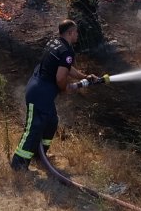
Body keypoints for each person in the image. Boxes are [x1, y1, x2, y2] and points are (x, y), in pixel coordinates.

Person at [10, 19, 100, 172]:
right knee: (33, 128)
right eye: (76, 32)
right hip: (40, 93)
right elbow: (60, 78)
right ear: (70, 33)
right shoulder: (66, 51)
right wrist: (66, 88)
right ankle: (18, 164)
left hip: (41, 91)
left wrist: (83, 77)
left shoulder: (55, 43)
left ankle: (40, 155)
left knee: (51, 122)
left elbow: (66, 67)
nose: (78, 35)